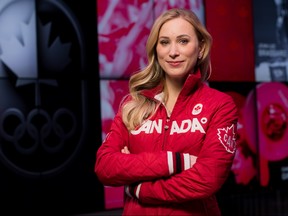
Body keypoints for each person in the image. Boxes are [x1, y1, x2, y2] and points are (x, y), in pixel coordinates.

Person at [95, 8, 238, 216]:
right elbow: (105, 166)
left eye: (183, 41)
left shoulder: (220, 105)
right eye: (164, 42)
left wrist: (140, 187)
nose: (173, 52)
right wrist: (176, 162)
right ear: (156, 49)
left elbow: (208, 178)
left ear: (200, 48)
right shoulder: (133, 105)